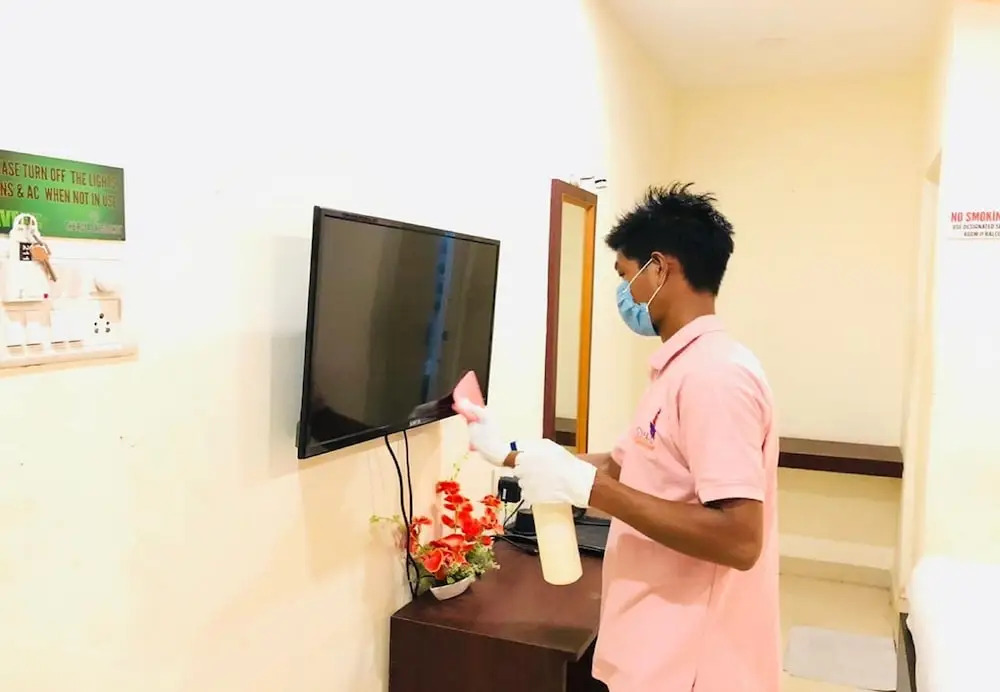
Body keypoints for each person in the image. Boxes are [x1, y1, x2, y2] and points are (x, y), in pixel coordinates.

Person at [456, 183, 780, 691]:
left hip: (692, 664)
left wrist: (590, 488)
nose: (624, 294)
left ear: (660, 268)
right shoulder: (679, 368)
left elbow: (740, 540)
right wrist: (512, 453)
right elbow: (624, 465)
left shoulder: (714, 377)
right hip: (654, 645)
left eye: (626, 276)